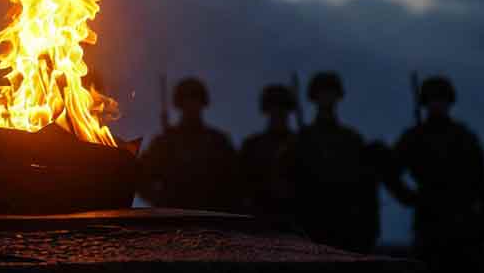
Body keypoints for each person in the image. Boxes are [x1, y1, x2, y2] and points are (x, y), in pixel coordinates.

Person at [388, 76, 484, 273]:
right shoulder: (414, 137)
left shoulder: (465, 138)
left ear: (450, 102)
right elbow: (390, 172)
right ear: (425, 103)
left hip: (463, 226)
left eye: (442, 100)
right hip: (430, 225)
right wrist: (410, 198)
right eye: (432, 100)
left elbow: (482, 185)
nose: (437, 105)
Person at [293, 71, 380, 253]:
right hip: (310, 223)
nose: (326, 98)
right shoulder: (301, 139)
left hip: (345, 225)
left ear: (338, 96)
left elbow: (365, 189)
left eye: (330, 92)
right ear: (314, 97)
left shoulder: (351, 139)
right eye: (322, 93)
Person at [138, 77, 238, 211]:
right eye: (187, 101)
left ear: (202, 103)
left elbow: (235, 180)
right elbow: (142, 178)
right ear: (180, 104)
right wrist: (160, 200)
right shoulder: (164, 142)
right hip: (174, 218)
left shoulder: (217, 141)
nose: (191, 105)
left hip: (210, 217)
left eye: (195, 100)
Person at [238, 83, 300, 219]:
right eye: (273, 107)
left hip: (295, 219)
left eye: (282, 107)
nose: (278, 112)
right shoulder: (252, 145)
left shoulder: (301, 145)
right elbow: (242, 186)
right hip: (261, 219)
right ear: (266, 110)